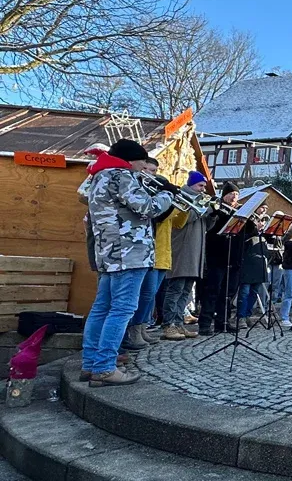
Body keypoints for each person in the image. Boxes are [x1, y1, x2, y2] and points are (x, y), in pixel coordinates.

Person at [81, 139, 174, 386]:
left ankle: (90, 363)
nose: (145, 167)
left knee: (102, 308)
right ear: (132, 159)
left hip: (109, 253)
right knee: (121, 310)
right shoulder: (121, 175)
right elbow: (147, 208)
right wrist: (167, 195)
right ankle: (104, 367)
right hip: (130, 253)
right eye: (143, 162)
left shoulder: (99, 175)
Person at [122, 158, 177, 350]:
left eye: (153, 171)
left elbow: (173, 219)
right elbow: (155, 214)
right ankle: (133, 331)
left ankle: (141, 327)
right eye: (147, 169)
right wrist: (167, 197)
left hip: (158, 250)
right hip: (143, 251)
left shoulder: (153, 188)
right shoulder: (136, 188)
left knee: (150, 294)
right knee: (144, 294)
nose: (150, 174)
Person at [160, 172, 210, 341]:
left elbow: (206, 226)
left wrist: (212, 214)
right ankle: (168, 325)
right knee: (175, 290)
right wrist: (202, 208)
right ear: (191, 185)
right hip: (181, 250)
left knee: (186, 292)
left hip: (195, 253)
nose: (203, 190)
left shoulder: (201, 200)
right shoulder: (182, 198)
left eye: (204, 187)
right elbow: (183, 220)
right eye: (200, 186)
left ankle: (179, 322)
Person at [198, 182, 241, 335]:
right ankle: (205, 323)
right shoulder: (216, 209)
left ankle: (223, 322)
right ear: (224, 196)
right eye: (231, 194)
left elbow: (250, 233)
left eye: (236, 195)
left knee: (228, 293)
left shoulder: (239, 212)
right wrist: (216, 213)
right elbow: (210, 228)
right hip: (217, 256)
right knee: (212, 291)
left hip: (234, 258)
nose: (234, 197)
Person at [237, 211, 271, 328]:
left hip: (259, 266)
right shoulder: (247, 232)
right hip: (247, 266)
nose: (261, 223)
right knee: (244, 292)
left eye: (263, 221)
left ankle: (247, 315)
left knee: (254, 293)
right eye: (259, 221)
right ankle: (240, 316)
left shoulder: (264, 235)